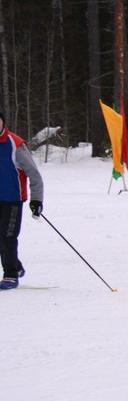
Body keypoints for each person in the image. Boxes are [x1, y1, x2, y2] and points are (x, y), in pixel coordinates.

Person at [0, 109, 44, 290]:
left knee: (7, 236)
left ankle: (10, 274)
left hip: (12, 200)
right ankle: (16, 266)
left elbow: (34, 173)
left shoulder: (15, 144)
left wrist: (37, 200)